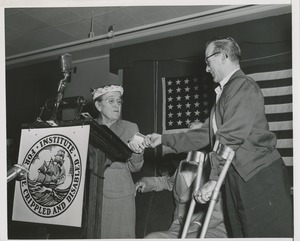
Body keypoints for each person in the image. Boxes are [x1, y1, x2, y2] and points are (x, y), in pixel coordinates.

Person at [143, 37, 293, 238]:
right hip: (235, 177)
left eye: (208, 61)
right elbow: (202, 135)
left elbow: (230, 136)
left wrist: (213, 180)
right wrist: (163, 139)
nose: (206, 68)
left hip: (258, 176)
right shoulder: (224, 95)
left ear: (223, 56)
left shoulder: (242, 86)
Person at [136, 122, 227, 239]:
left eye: (196, 135)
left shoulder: (217, 168)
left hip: (210, 228)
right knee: (151, 238)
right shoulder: (184, 164)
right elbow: (169, 183)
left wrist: (196, 224)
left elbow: (220, 211)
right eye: (189, 135)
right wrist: (146, 182)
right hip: (180, 228)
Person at [90, 84, 144, 238]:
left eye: (119, 102)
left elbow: (135, 167)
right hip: (92, 194)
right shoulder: (89, 127)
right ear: (98, 106)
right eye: (111, 101)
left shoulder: (130, 128)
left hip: (120, 196)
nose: (116, 106)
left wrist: (138, 152)